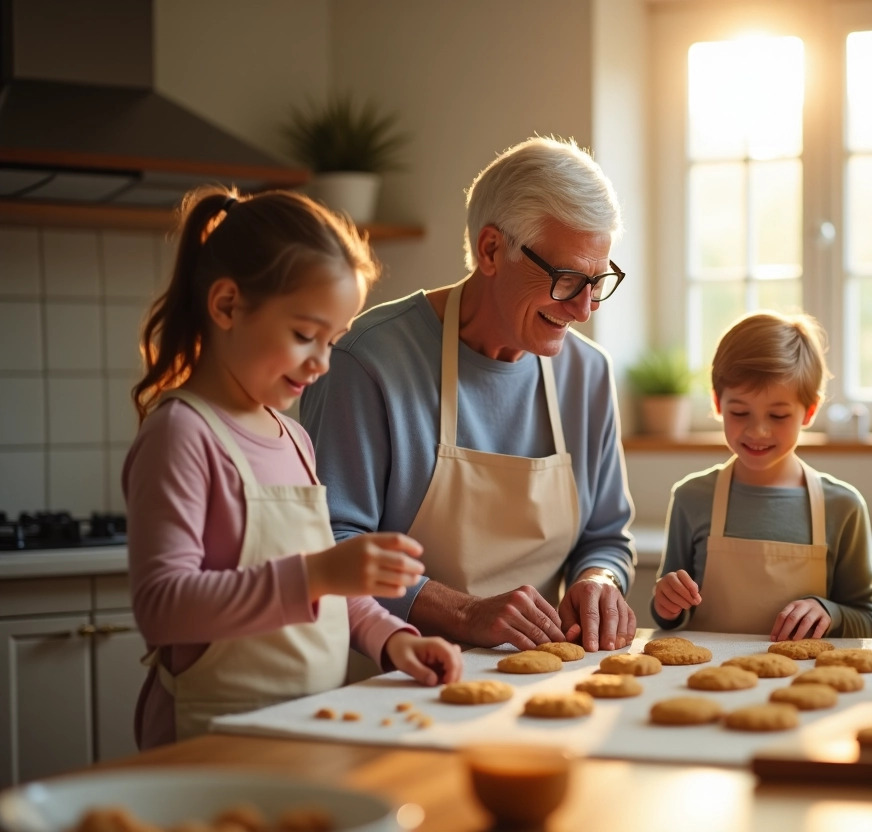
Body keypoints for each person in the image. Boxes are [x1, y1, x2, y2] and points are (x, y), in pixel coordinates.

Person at [124, 186, 463, 749]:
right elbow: (163, 607)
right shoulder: (183, 434)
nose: (322, 362)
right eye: (305, 335)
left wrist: (391, 639)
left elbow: (330, 587)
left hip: (307, 727)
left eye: (332, 341)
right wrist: (317, 575)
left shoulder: (295, 439)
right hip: (209, 741)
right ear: (227, 305)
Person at [300, 136, 637, 653]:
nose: (584, 310)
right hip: (391, 683)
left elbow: (606, 537)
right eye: (568, 279)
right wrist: (463, 613)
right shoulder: (368, 362)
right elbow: (332, 545)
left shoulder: (588, 374)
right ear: (491, 250)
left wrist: (600, 582)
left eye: (598, 281)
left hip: (538, 683)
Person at [651, 311, 872, 638]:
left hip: (804, 682)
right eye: (740, 412)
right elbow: (667, 616)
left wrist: (829, 612)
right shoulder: (691, 497)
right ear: (717, 404)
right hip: (709, 681)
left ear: (809, 412)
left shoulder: (843, 506)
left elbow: (867, 621)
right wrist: (666, 603)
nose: (757, 430)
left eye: (778, 414)